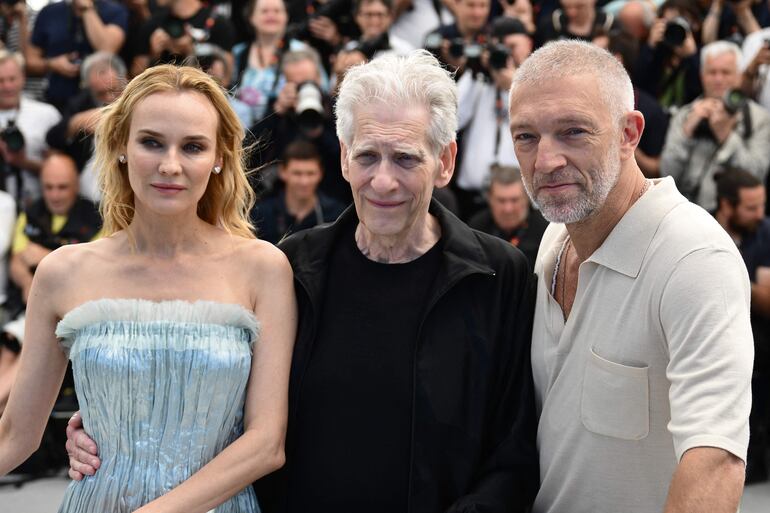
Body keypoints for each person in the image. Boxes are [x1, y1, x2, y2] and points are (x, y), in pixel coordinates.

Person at [72, 49, 539, 513]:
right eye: (368, 156)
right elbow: (222, 396)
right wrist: (108, 425)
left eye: (405, 160)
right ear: (343, 159)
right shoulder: (293, 267)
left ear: (445, 160)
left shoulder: (500, 275)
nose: (382, 181)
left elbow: (514, 451)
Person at [0, 64, 296, 512]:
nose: (170, 165)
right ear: (121, 146)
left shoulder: (263, 268)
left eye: (193, 146)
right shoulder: (63, 272)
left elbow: (266, 443)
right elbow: (15, 436)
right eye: (151, 142)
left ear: (219, 156)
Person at [508, 40, 752, 513]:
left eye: (573, 132)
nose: (545, 161)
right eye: (526, 137)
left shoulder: (695, 257)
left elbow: (717, 462)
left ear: (629, 133)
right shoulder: (553, 243)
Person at [661, 40, 770, 212]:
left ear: (739, 75)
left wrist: (727, 136)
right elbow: (667, 174)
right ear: (702, 75)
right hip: (687, 213)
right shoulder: (684, 115)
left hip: (733, 221)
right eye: (712, 72)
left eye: (726, 72)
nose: (718, 79)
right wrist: (686, 133)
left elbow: (756, 175)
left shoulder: (759, 119)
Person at [714, 168, 770, 483]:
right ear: (726, 205)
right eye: (751, 207)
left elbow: (767, 301)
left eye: (762, 205)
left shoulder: (765, 233)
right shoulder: (699, 227)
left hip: (756, 333)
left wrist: (724, 278)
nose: (760, 214)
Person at [46, 51, 127, 202]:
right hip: (88, 191)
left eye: (114, 91)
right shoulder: (81, 104)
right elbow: (52, 138)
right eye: (101, 94)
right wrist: (77, 122)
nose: (110, 99)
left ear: (125, 81)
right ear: (90, 90)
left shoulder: (138, 102)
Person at [25, 0, 128, 111]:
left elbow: (106, 50)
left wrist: (86, 8)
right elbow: (29, 62)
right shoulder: (49, 12)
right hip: (58, 101)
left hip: (100, 101)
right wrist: (52, 64)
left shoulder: (114, 11)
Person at [251, 140, 345, 244]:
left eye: (310, 173)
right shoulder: (262, 215)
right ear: (282, 172)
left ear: (320, 174)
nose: (304, 181)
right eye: (297, 173)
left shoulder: (336, 214)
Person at [0, 49, 62, 206]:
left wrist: (23, 162)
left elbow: (63, 172)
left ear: (23, 78)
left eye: (12, 79)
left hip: (40, 208)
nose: (7, 86)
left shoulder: (46, 114)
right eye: (0, 80)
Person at [468, 164, 547, 269]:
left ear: (527, 198)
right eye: (501, 200)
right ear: (489, 199)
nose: (508, 209)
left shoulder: (545, 231)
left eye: (514, 200)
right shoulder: (476, 227)